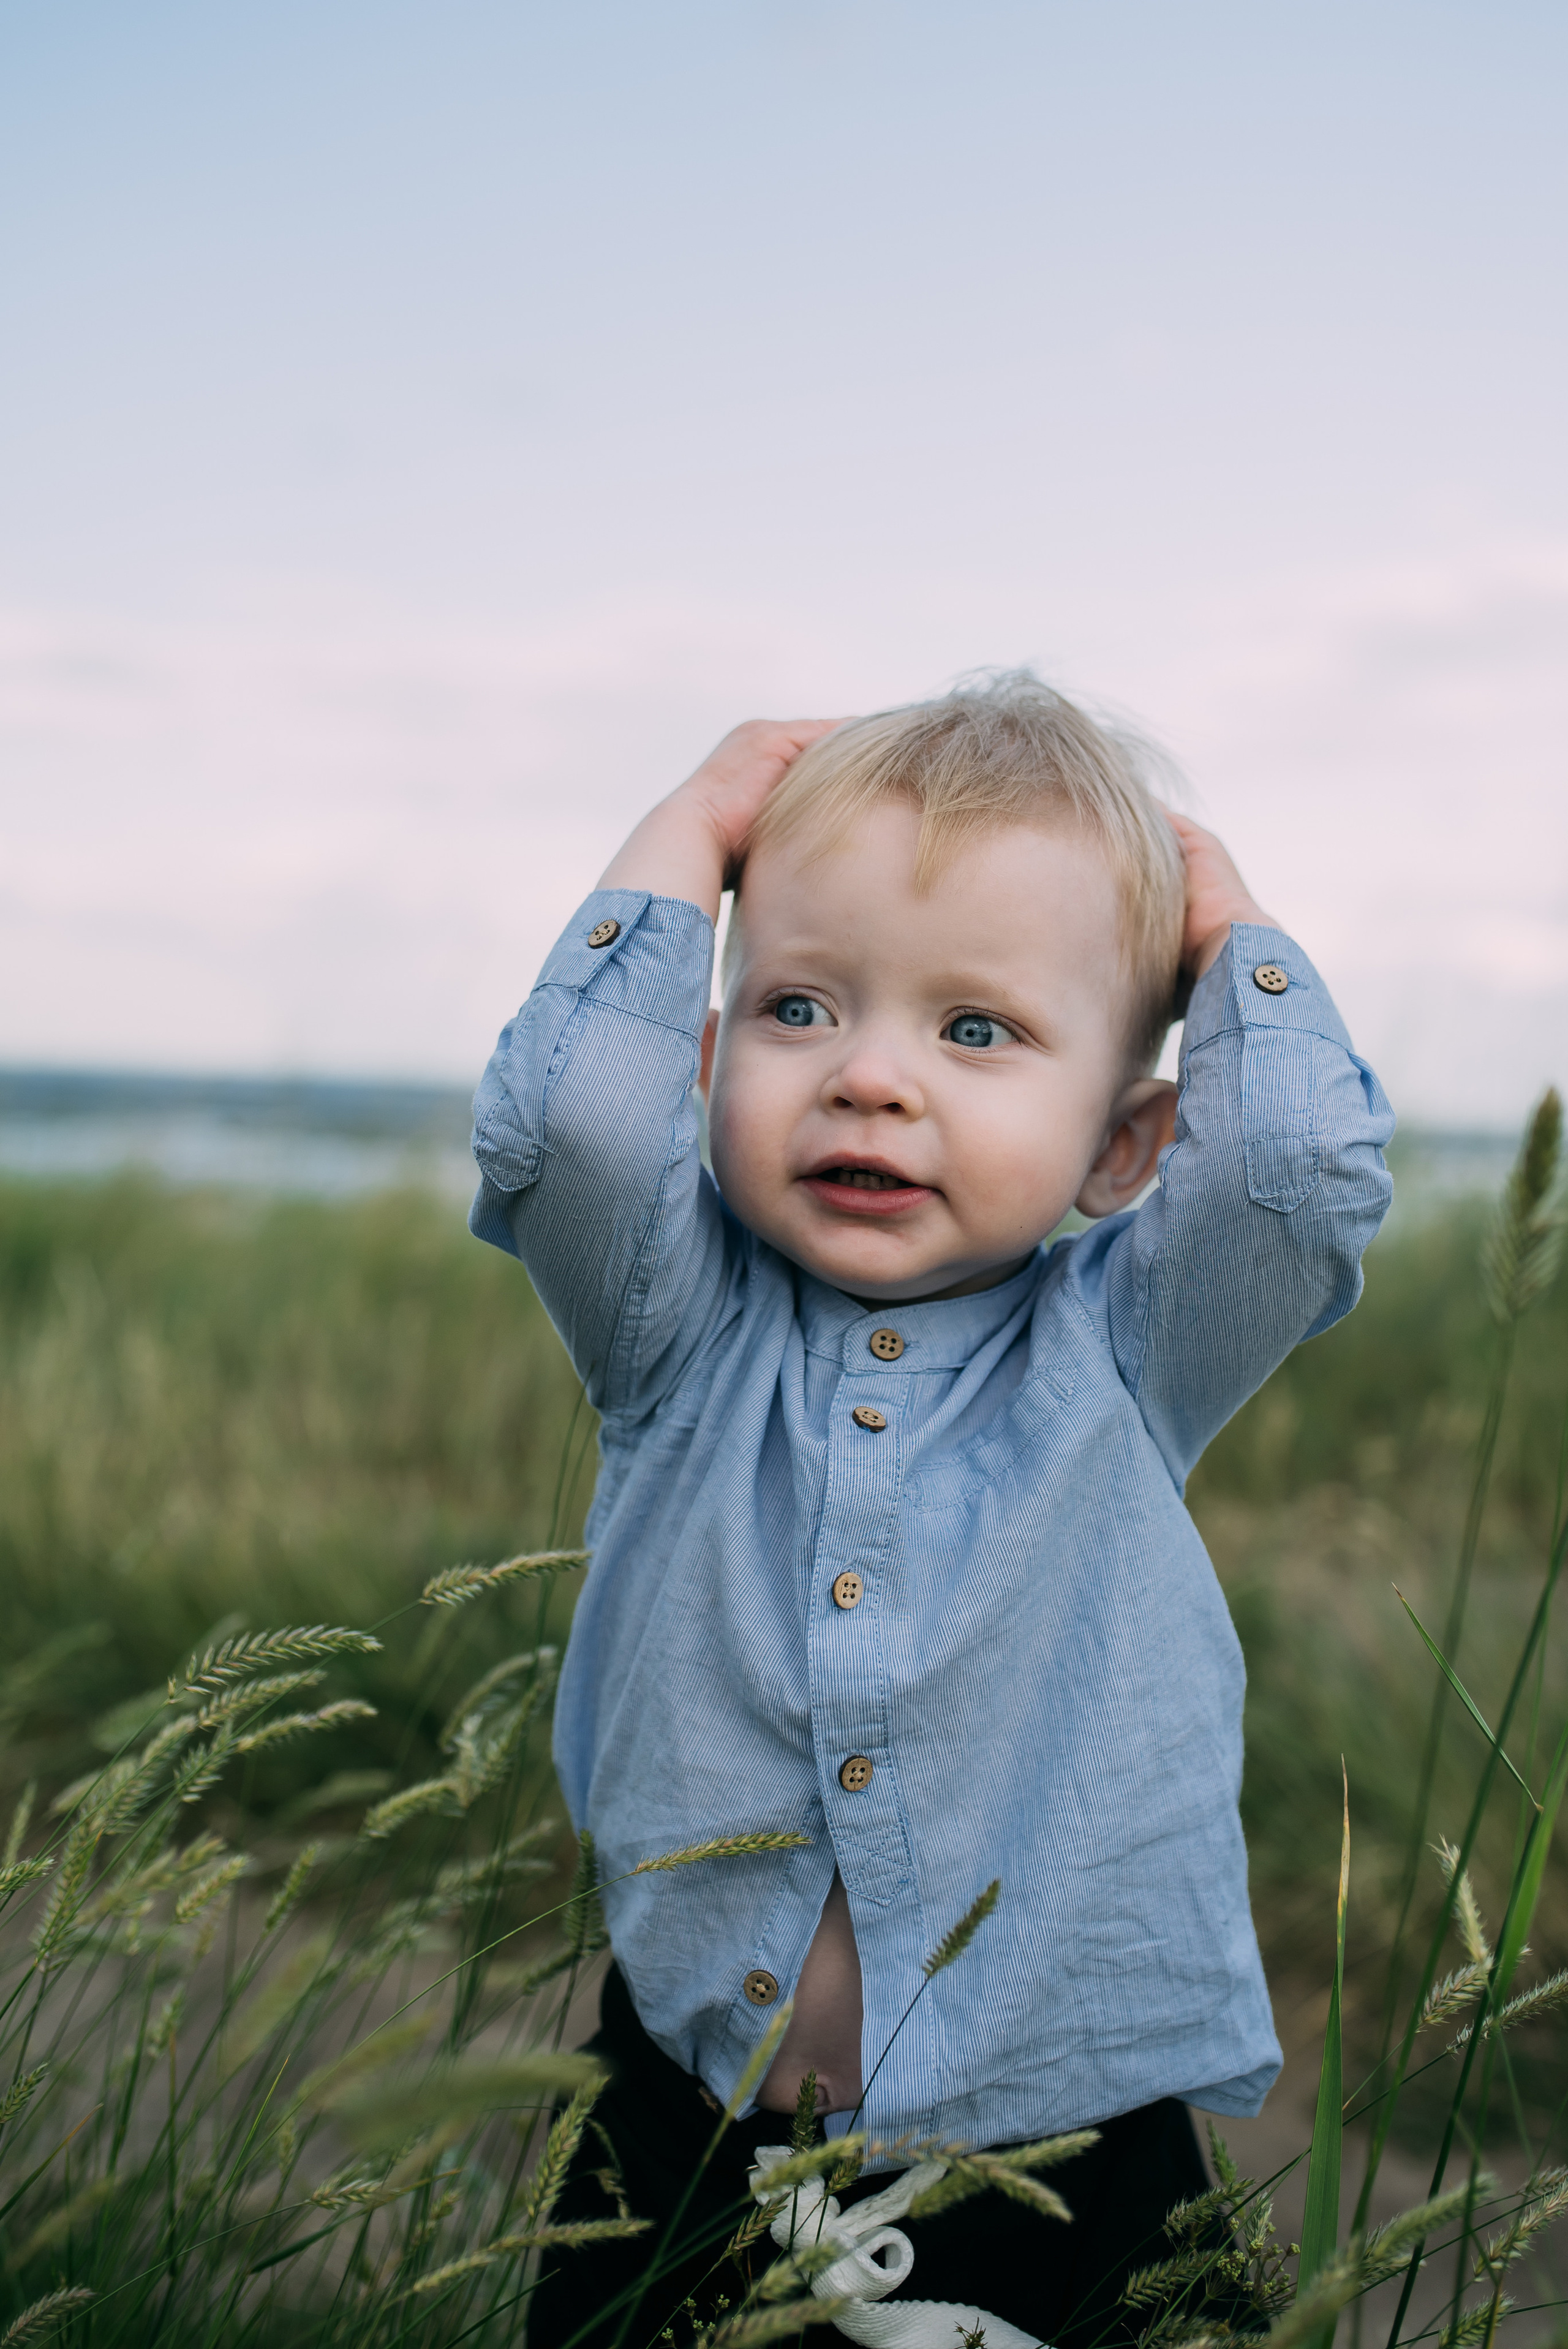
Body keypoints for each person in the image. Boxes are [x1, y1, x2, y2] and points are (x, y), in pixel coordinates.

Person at [469, 673, 1394, 2347]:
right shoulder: (674, 1334)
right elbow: (576, 1126)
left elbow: (1294, 1171)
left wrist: (1226, 919)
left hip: (1065, 2159)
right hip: (683, 2135)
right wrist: (693, 824)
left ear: (1124, 1146)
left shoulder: (1126, 1348)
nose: (872, 1078)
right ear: (711, 1050)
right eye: (802, 1007)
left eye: (977, 1030)